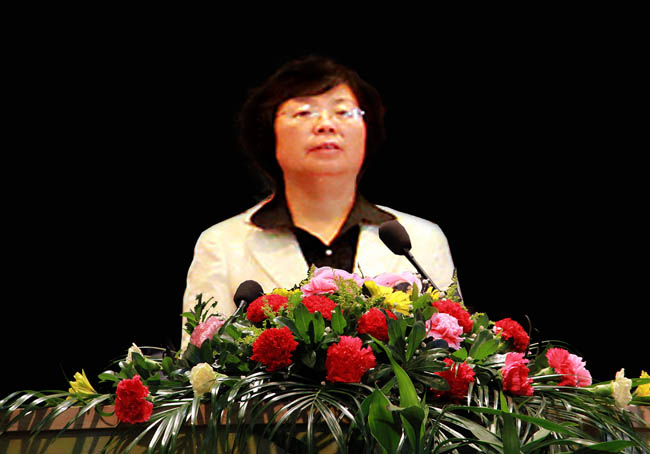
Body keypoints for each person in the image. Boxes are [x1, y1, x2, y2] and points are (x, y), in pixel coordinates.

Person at [181, 56, 456, 349]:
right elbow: (200, 367)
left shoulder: (422, 239)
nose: (326, 124)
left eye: (344, 111)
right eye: (304, 112)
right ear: (268, 132)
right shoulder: (222, 244)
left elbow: (457, 354)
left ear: (367, 131)